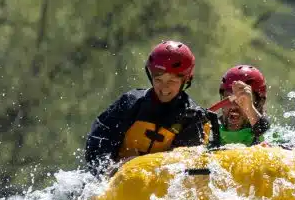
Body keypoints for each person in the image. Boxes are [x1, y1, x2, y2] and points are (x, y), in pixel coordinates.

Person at [84, 40, 219, 173]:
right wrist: (109, 168)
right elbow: (99, 140)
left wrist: (140, 164)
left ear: (185, 80)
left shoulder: (193, 117)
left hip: (161, 185)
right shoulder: (131, 103)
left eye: (172, 81)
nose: (164, 88)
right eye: (158, 80)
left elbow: (185, 161)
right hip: (117, 179)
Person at [211, 65, 272, 146]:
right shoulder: (208, 133)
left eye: (242, 100)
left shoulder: (271, 137)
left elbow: (264, 131)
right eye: (229, 98)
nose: (233, 106)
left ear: (260, 102)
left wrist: (248, 108)